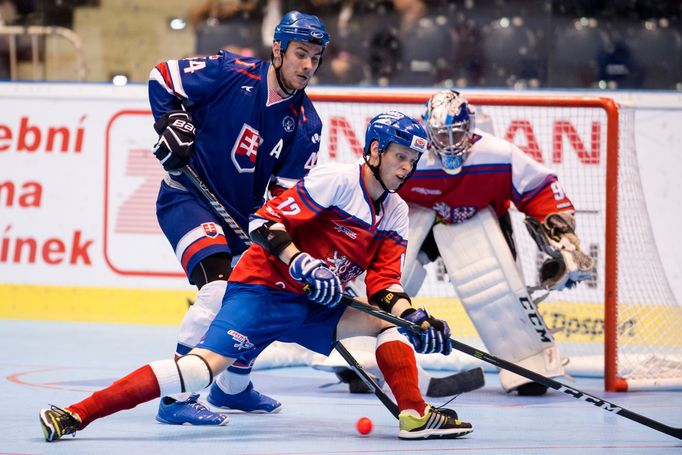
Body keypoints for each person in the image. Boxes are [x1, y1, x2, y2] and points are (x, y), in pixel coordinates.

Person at [39, 111, 474, 442]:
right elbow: (263, 223)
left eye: (413, 161)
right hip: (263, 291)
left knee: (389, 323)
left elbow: (383, 284)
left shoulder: (396, 211)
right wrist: (299, 260)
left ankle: (414, 415)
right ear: (375, 150)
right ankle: (78, 413)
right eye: (400, 157)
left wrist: (412, 316)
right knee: (197, 370)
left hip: (314, 303)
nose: (406, 168)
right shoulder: (336, 180)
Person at [322, 89, 594, 396]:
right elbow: (366, 187)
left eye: (457, 134)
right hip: (417, 217)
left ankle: (528, 361)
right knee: (380, 276)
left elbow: (540, 188)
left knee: (497, 288)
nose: (450, 143)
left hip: (477, 218)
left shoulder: (498, 154)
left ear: (471, 128)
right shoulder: (409, 155)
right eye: (441, 135)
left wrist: (564, 237)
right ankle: (358, 347)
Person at [147, 10, 329, 425]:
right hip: (186, 199)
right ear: (278, 50)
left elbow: (285, 203)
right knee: (215, 293)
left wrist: (280, 244)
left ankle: (232, 389)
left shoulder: (306, 124)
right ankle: (176, 399)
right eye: (300, 53)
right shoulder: (231, 70)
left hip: (242, 217)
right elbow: (162, 77)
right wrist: (171, 120)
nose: (307, 66)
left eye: (315, 58)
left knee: (260, 298)